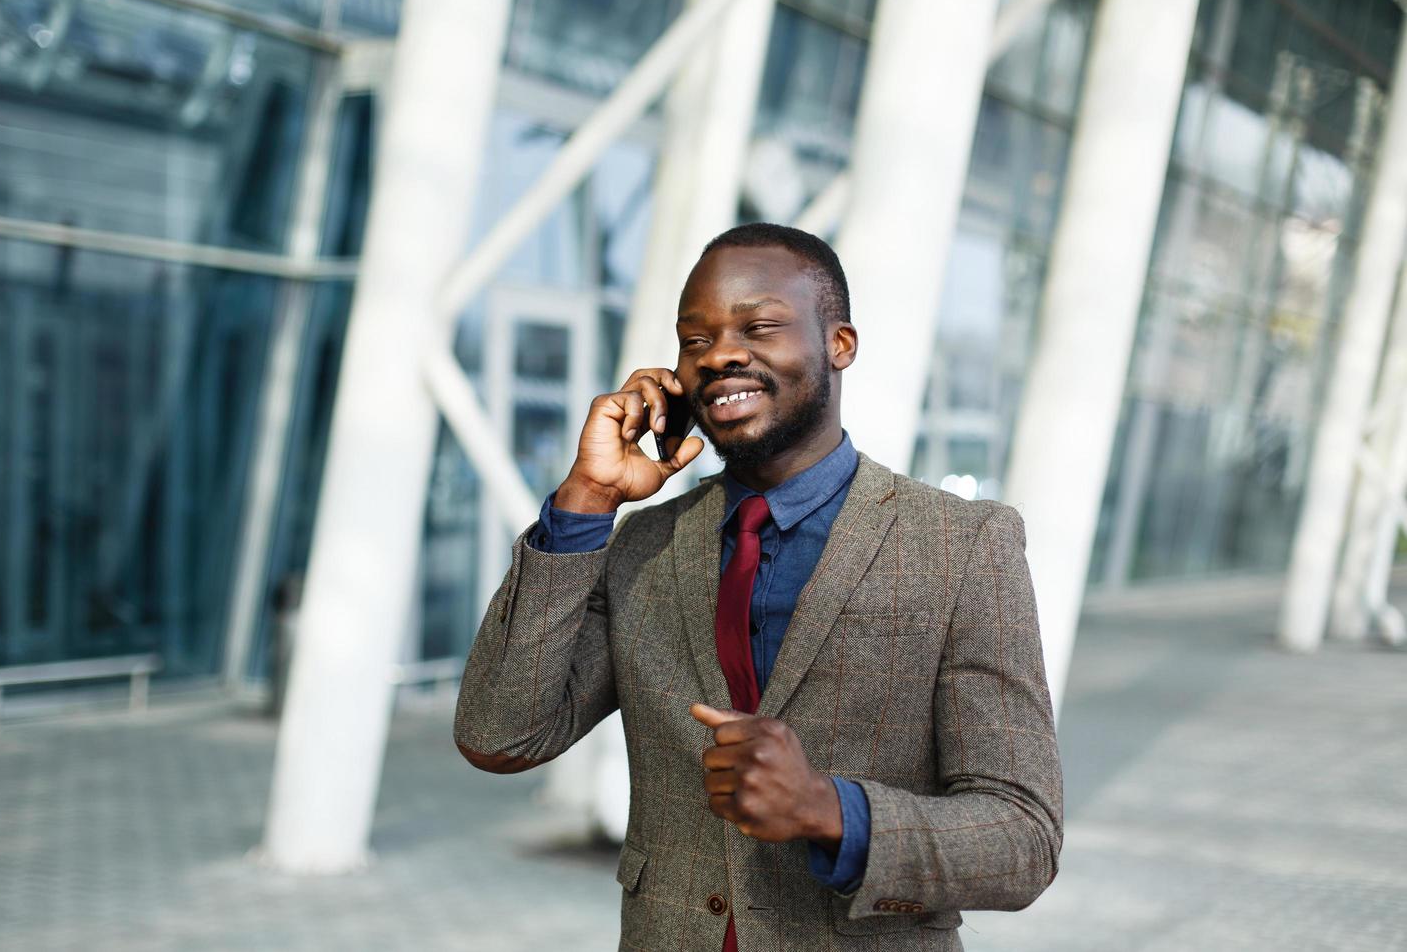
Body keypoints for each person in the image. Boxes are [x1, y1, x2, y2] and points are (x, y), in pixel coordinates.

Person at [454, 223, 1062, 951]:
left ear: (840, 344)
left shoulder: (962, 547)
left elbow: (1022, 839)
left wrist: (827, 809)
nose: (722, 355)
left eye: (760, 326)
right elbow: (500, 735)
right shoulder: (643, 546)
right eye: (695, 339)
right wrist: (586, 498)